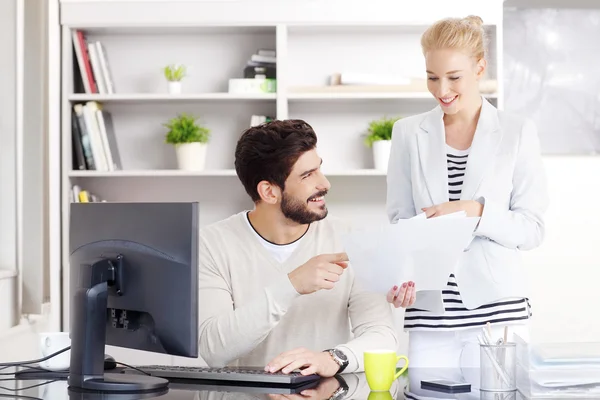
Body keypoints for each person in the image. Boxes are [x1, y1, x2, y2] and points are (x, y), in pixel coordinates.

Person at [384, 15, 549, 387]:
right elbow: (400, 223)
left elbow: (532, 228)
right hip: (431, 318)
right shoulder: (407, 133)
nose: (441, 89)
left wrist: (474, 212)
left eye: (454, 77)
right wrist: (400, 275)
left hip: (498, 317)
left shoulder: (517, 131)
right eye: (432, 77)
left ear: (479, 67)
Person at [197, 119, 398, 377]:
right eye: (307, 175)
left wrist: (333, 359)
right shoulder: (212, 244)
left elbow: (382, 336)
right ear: (269, 192)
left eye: (319, 169)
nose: (324, 183)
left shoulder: (353, 239)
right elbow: (214, 349)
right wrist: (289, 286)